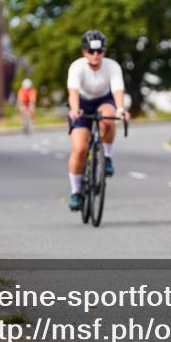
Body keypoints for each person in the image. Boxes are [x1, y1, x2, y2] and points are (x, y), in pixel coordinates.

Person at [65, 30, 129, 212]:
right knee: (79, 149)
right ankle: (76, 192)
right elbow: (73, 92)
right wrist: (75, 110)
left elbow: (117, 90)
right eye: (91, 52)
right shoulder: (77, 67)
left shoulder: (112, 66)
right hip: (82, 103)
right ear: (84, 52)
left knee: (108, 119)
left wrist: (121, 109)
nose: (95, 55)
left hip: (103, 100)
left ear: (104, 52)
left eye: (99, 51)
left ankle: (107, 156)